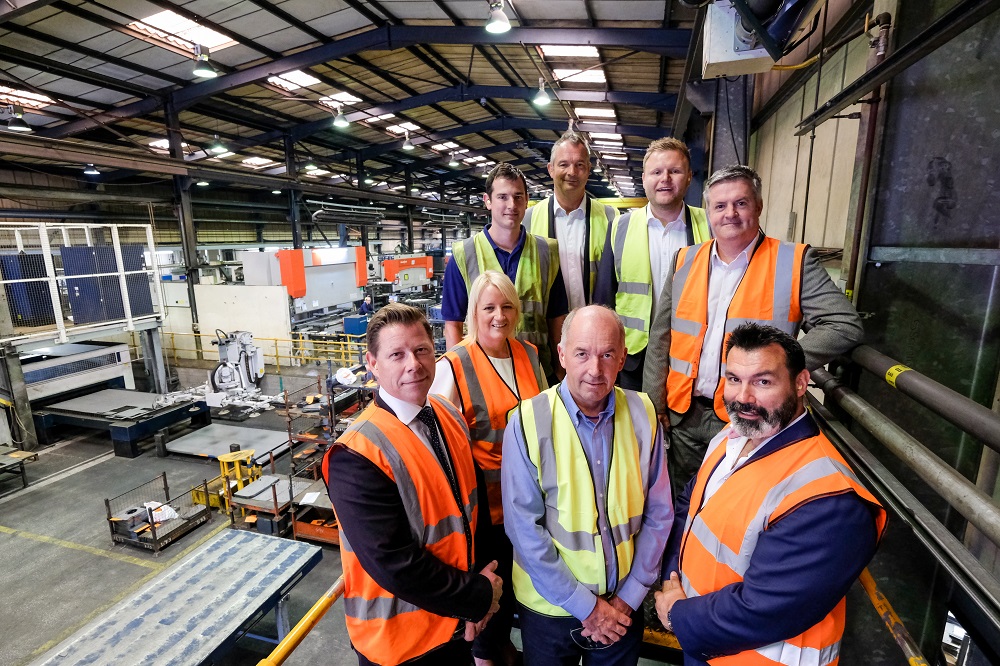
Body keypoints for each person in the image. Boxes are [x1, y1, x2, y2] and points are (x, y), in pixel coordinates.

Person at [654, 323, 886, 665]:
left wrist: (677, 614)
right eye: (733, 379)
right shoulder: (730, 439)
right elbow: (690, 508)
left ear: (801, 383)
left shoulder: (830, 500)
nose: (743, 397)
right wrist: (672, 580)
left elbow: (763, 610)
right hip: (705, 642)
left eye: (763, 381)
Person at [643, 164, 864, 496]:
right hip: (683, 415)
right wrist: (654, 404)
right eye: (720, 206)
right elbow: (662, 337)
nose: (730, 214)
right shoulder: (684, 260)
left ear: (758, 207)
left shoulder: (793, 262)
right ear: (708, 212)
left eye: (741, 203)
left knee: (736, 502)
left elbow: (844, 325)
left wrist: (781, 367)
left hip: (749, 418)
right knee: (678, 501)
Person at [323, 303, 503, 666]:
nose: (414, 364)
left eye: (421, 350)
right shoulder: (355, 455)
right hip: (401, 646)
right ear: (372, 364)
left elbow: (473, 510)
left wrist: (480, 600)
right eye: (396, 354)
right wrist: (478, 596)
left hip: (455, 626)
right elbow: (395, 563)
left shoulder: (447, 414)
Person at [502, 305, 673, 666]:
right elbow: (523, 529)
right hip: (551, 610)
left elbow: (660, 514)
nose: (595, 370)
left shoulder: (643, 415)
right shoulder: (528, 421)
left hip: (623, 604)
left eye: (607, 354)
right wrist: (588, 608)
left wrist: (629, 596)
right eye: (582, 353)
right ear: (562, 355)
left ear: (623, 357)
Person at [431, 270, 547, 666]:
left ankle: (504, 651)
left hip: (532, 507)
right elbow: (439, 448)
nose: (499, 316)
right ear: (473, 314)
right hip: (486, 517)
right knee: (490, 603)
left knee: (523, 594)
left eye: (507, 306)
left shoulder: (528, 354)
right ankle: (488, 656)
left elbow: (546, 420)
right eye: (489, 308)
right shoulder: (454, 366)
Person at [594, 137, 709, 391]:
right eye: (656, 172)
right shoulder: (619, 228)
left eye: (675, 171)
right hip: (633, 356)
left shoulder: (710, 225)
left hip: (692, 354)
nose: (665, 178)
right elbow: (604, 299)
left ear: (689, 177)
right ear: (644, 178)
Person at [443, 162, 569, 383]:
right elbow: (453, 324)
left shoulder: (547, 252)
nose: (512, 204)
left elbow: (557, 318)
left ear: (527, 200)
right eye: (502, 197)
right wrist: (461, 378)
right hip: (483, 375)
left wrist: (560, 371)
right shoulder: (464, 255)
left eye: (518, 197)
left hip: (538, 371)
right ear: (488, 201)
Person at [528, 132, 617, 309]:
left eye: (579, 165)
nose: (572, 172)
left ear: (589, 169)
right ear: (550, 169)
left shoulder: (612, 219)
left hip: (593, 329)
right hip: (545, 332)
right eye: (564, 164)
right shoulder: (527, 220)